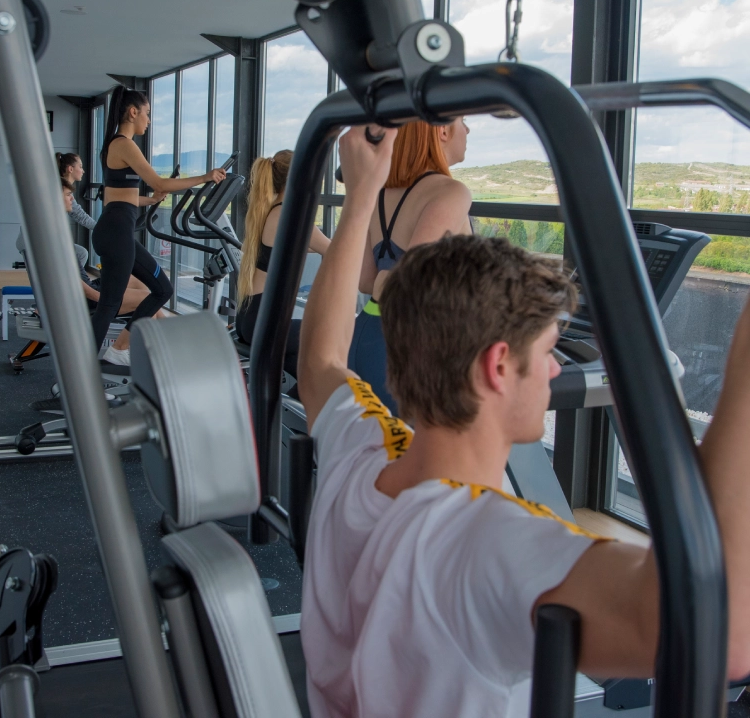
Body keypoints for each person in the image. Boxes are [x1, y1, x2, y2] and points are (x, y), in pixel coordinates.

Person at [298, 125, 750, 718]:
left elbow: (321, 358)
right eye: (548, 350)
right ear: (498, 365)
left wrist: (362, 196)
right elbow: (722, 637)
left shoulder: (359, 457)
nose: (557, 366)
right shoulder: (484, 546)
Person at [93, 86, 225, 366]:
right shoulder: (124, 144)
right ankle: (78, 374)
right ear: (133, 112)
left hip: (116, 229)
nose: (149, 120)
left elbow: (118, 196)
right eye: (147, 114)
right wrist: (205, 176)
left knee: (162, 289)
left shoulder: (115, 146)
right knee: (109, 306)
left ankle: (119, 349)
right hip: (116, 233)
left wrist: (150, 200)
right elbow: (161, 182)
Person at [349, 118, 472, 412]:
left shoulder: (381, 192)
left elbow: (366, 281)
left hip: (366, 333)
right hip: (410, 345)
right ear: (442, 130)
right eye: (464, 121)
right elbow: (408, 284)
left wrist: (386, 276)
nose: (468, 130)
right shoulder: (451, 192)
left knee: (379, 450)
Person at [236, 149, 330, 382]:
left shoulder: (272, 212)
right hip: (266, 321)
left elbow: (302, 246)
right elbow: (335, 250)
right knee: (331, 336)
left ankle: (298, 408)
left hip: (252, 318)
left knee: (301, 366)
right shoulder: (293, 216)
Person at [62, 180, 168, 340]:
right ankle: (137, 348)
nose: (72, 199)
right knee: (146, 299)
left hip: (90, 286)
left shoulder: (56, 228)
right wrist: (105, 300)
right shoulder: (53, 237)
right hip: (84, 297)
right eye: (69, 195)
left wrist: (153, 200)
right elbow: (69, 280)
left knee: (141, 282)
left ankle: (168, 335)